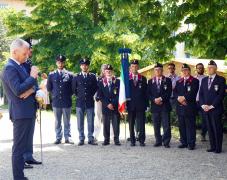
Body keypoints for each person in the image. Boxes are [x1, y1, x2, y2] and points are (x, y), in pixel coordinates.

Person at [1, 38, 39, 180]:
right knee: (18, 148)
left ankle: (21, 176)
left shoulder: (21, 65)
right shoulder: (9, 68)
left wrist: (30, 90)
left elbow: (32, 87)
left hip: (27, 110)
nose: (27, 55)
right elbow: (18, 90)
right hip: (20, 112)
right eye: (24, 53)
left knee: (23, 147)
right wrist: (32, 77)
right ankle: (18, 177)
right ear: (15, 52)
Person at [22, 38, 42, 167]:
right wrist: (35, 89)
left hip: (31, 103)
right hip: (22, 105)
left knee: (30, 132)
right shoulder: (20, 65)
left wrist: (39, 91)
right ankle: (21, 159)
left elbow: (33, 82)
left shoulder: (29, 63)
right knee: (22, 135)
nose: (31, 51)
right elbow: (23, 86)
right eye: (29, 48)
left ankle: (28, 156)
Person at [199, 60, 226, 153]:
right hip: (205, 109)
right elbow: (201, 94)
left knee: (217, 128)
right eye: (208, 68)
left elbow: (221, 95)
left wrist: (211, 106)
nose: (209, 69)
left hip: (216, 109)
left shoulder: (221, 79)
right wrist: (203, 105)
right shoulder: (204, 80)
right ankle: (212, 146)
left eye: (211, 68)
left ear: (215, 69)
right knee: (209, 128)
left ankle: (218, 148)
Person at [47, 55, 74, 144]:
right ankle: (58, 137)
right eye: (59, 62)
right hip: (56, 101)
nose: (60, 64)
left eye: (62, 62)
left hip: (66, 101)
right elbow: (49, 88)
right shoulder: (51, 75)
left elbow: (73, 88)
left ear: (64, 63)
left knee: (67, 121)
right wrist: (55, 95)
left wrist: (68, 95)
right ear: (56, 63)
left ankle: (68, 137)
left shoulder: (70, 75)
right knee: (57, 121)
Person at [72, 58, 98, 146]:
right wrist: (80, 95)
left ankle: (91, 138)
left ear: (88, 66)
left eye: (86, 65)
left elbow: (95, 88)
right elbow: (74, 89)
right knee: (80, 121)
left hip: (90, 101)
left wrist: (90, 95)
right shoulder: (76, 77)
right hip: (80, 102)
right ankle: (81, 138)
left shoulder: (93, 76)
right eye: (83, 65)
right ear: (80, 66)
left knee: (91, 121)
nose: (84, 66)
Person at [147, 63, 172, 148]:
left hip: (164, 106)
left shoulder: (168, 80)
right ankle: (158, 140)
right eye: (156, 70)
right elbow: (148, 94)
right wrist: (154, 100)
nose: (158, 71)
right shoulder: (150, 81)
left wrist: (160, 99)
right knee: (156, 125)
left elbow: (168, 93)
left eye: (159, 69)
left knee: (166, 125)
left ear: (162, 70)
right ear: (154, 71)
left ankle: (166, 141)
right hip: (155, 106)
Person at [175, 64, 199, 150]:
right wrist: (179, 98)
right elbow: (175, 92)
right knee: (182, 126)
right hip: (180, 107)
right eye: (183, 70)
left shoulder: (195, 81)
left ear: (189, 70)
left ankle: (191, 143)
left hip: (190, 107)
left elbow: (193, 92)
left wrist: (184, 98)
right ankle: (184, 142)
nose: (184, 72)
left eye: (186, 70)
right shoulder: (179, 81)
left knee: (190, 126)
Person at [97, 64, 121, 146]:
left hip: (115, 107)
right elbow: (100, 95)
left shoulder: (117, 82)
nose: (108, 73)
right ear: (104, 72)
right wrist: (107, 104)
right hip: (106, 107)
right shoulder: (101, 82)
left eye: (110, 71)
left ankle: (116, 140)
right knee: (106, 124)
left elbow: (119, 95)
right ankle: (106, 139)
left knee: (116, 124)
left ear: (112, 72)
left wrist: (113, 103)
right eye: (107, 71)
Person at [127, 60, 147, 146]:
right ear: (130, 68)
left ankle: (142, 140)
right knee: (131, 123)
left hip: (141, 104)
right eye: (132, 66)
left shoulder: (143, 78)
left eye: (136, 66)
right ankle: (132, 140)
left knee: (141, 123)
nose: (134, 68)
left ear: (138, 67)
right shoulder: (126, 79)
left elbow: (146, 93)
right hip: (130, 104)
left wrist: (147, 105)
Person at [94, 64, 107, 141]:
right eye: (103, 69)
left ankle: (111, 136)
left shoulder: (112, 78)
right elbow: (95, 90)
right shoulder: (98, 79)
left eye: (106, 69)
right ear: (101, 70)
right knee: (98, 118)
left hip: (108, 101)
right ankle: (96, 135)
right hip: (99, 101)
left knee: (109, 118)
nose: (104, 70)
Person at [194, 63, 207, 141]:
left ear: (203, 69)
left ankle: (203, 134)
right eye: (198, 68)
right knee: (192, 119)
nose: (200, 69)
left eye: (201, 68)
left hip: (203, 102)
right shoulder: (193, 78)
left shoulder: (207, 78)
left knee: (204, 119)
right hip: (193, 102)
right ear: (196, 69)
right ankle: (192, 134)